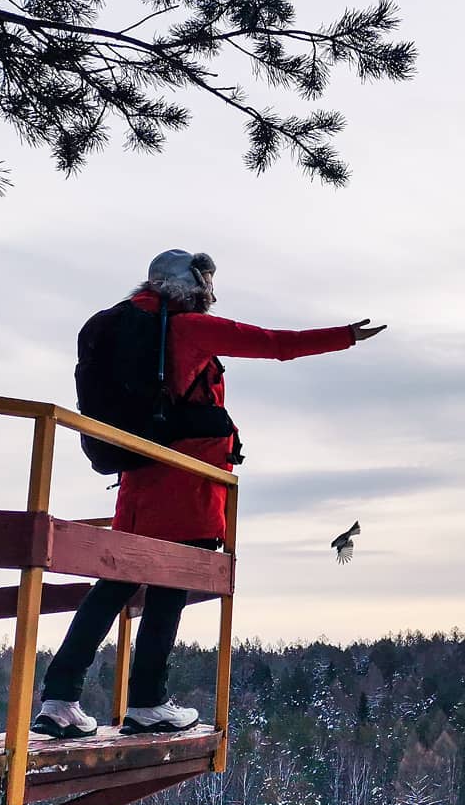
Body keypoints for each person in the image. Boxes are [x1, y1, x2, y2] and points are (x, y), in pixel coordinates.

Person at [32, 249, 385, 737]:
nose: (211, 291)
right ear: (192, 285)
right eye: (207, 281)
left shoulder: (132, 327)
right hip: (186, 483)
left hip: (140, 477)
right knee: (169, 589)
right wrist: (343, 337)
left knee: (114, 582)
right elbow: (273, 343)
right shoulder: (186, 328)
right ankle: (146, 704)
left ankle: (59, 698)